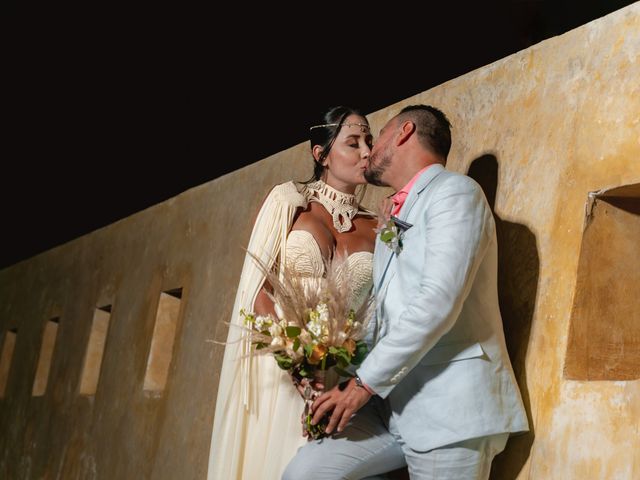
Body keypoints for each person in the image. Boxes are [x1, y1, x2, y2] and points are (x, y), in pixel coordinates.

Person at [283, 105, 529, 480]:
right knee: (305, 473)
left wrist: (363, 385)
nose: (370, 149)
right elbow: (383, 314)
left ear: (403, 132)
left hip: (449, 410)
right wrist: (334, 371)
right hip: (392, 403)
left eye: (377, 136)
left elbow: (437, 302)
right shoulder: (394, 213)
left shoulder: (456, 193)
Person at [207, 106, 378, 480]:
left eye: (368, 141)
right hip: (281, 369)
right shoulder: (288, 203)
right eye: (353, 143)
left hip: (338, 377)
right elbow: (258, 291)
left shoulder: (378, 226)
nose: (367, 151)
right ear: (321, 154)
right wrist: (297, 366)